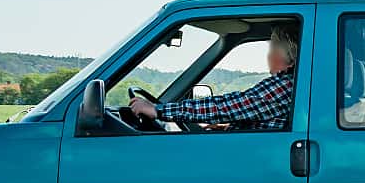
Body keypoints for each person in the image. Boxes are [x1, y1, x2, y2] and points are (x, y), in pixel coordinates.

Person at [126, 25, 297, 130]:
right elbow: (245, 109)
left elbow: (226, 107)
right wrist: (228, 126)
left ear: (288, 57)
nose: (268, 55)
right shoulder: (288, 86)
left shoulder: (282, 87)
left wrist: (159, 110)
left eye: (272, 49)